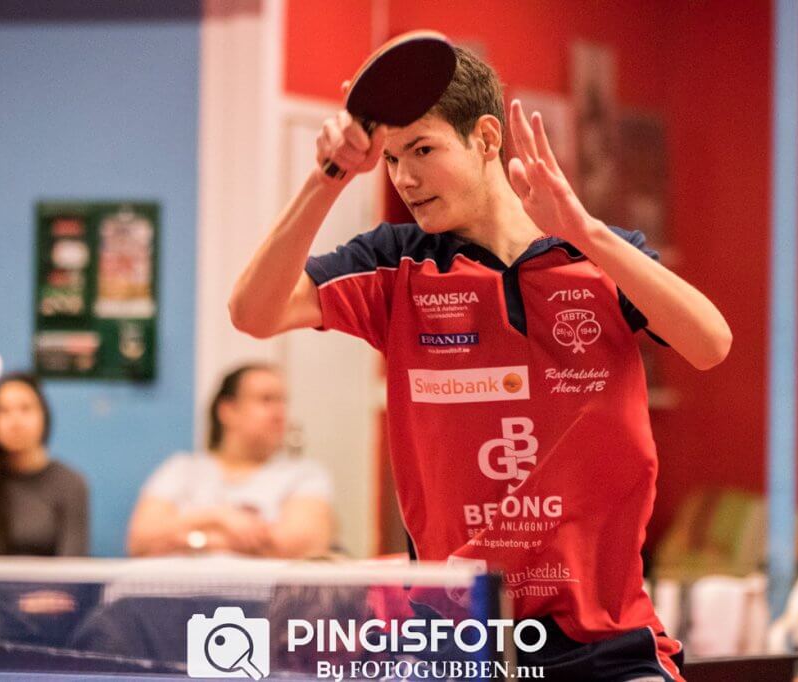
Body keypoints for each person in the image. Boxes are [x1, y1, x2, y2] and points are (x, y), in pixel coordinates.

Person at [229, 45, 733, 681]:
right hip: (460, 638)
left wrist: (587, 233)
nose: (404, 178)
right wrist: (327, 178)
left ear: (487, 138)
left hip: (605, 641)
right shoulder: (394, 265)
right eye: (392, 159)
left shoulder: (595, 258)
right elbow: (254, 313)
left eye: (423, 150)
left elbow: (710, 343)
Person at [126, 364, 334, 558]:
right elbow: (140, 540)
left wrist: (193, 539)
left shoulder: (305, 475)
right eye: (266, 400)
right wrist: (218, 517)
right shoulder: (181, 469)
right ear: (228, 411)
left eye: (283, 401)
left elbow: (302, 544)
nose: (279, 413)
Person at [0, 372, 89, 556]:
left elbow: (72, 565)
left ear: (44, 416)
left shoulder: (70, 484)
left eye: (25, 408)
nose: (15, 421)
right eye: (3, 410)